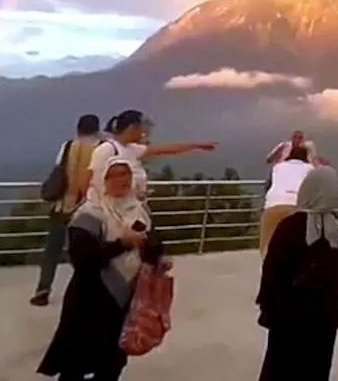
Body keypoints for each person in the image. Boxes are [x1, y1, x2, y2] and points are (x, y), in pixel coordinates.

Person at [37, 158, 164, 381]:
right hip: (90, 299)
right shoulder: (89, 215)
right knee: (76, 363)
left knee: (114, 361)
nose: (122, 180)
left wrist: (157, 260)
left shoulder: (137, 210)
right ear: (100, 180)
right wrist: (122, 244)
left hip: (125, 298)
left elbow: (152, 243)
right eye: (114, 175)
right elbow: (82, 259)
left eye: (126, 174)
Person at [257, 165, 338, 381]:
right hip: (324, 318)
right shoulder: (337, 228)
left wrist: (266, 305)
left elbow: (272, 271)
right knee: (316, 369)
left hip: (288, 315)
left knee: (279, 367)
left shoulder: (289, 226)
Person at [31, 114, 101, 307]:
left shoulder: (68, 146)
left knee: (52, 249)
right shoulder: (102, 149)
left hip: (62, 205)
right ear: (97, 129)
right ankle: (86, 292)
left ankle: (42, 291)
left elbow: (58, 170)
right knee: (86, 251)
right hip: (89, 208)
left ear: (78, 129)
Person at [88, 110, 217, 206]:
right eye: (142, 128)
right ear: (132, 128)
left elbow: (168, 149)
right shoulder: (107, 149)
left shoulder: (131, 149)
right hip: (111, 212)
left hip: (130, 209)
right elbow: (97, 182)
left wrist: (197, 145)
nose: (144, 133)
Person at [259, 145, 313, 254]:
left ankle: (268, 267)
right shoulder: (310, 168)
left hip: (273, 205)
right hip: (297, 207)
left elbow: (269, 185)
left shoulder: (278, 167)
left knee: (267, 245)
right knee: (298, 245)